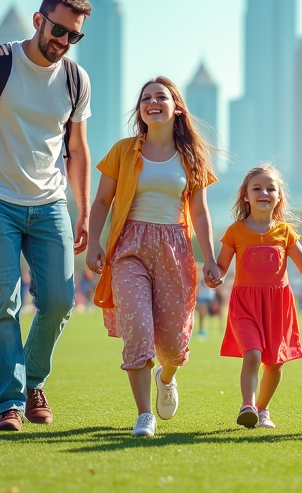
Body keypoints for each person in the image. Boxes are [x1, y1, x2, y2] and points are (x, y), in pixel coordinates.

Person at [0, 0, 92, 432]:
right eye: (58, 29)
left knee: (59, 300)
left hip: (50, 205)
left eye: (73, 36)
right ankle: (7, 404)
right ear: (37, 19)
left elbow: (78, 151)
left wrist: (83, 210)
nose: (63, 41)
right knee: (4, 304)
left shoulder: (76, 80)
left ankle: (33, 381)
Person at [85, 76, 219, 439]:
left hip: (175, 248)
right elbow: (102, 202)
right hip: (130, 246)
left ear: (177, 108)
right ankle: (144, 414)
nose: (152, 102)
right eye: (146, 98)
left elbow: (201, 212)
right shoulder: (123, 150)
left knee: (174, 346)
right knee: (138, 330)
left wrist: (210, 257)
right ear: (140, 109)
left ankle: (167, 376)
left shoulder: (192, 157)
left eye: (161, 97)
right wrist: (94, 242)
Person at [212, 165, 302, 429]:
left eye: (271, 188)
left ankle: (262, 410)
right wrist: (211, 273)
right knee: (252, 354)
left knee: (275, 365)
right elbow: (221, 267)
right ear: (245, 197)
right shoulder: (235, 232)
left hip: (277, 307)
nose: (264, 192)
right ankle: (247, 405)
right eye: (257, 188)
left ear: (279, 196)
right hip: (245, 306)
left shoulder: (285, 232)